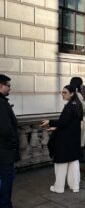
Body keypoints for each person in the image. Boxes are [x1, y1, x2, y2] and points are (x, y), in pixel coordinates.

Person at [41, 85, 83, 193]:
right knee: (73, 162)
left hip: (64, 140)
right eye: (62, 92)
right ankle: (75, 186)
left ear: (72, 93)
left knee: (61, 164)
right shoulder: (78, 105)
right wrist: (55, 127)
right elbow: (70, 123)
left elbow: (64, 122)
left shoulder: (69, 106)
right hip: (73, 138)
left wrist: (50, 122)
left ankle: (58, 188)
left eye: (65, 92)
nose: (62, 94)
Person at [0, 74, 19, 208]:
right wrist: (13, 146)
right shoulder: (1, 104)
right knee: (6, 180)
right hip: (4, 152)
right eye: (8, 86)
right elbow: (6, 130)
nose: (9, 89)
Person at [70, 77, 85, 162]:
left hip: (74, 120)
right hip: (82, 121)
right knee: (84, 143)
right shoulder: (78, 94)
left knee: (77, 143)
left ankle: (78, 161)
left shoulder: (71, 93)